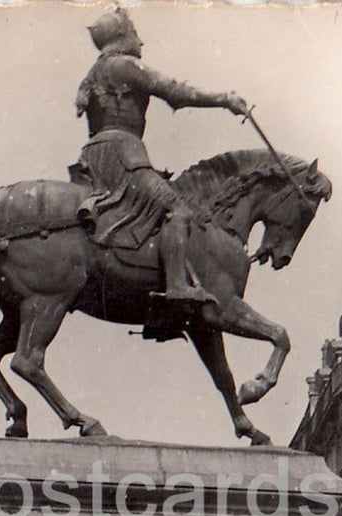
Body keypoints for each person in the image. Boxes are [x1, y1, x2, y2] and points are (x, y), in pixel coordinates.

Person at [73, 7, 249, 308]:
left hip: (94, 154)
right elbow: (175, 92)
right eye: (135, 33)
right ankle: (178, 286)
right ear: (121, 36)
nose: (140, 42)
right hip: (123, 153)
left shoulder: (94, 72)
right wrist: (223, 99)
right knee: (177, 209)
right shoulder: (125, 66)